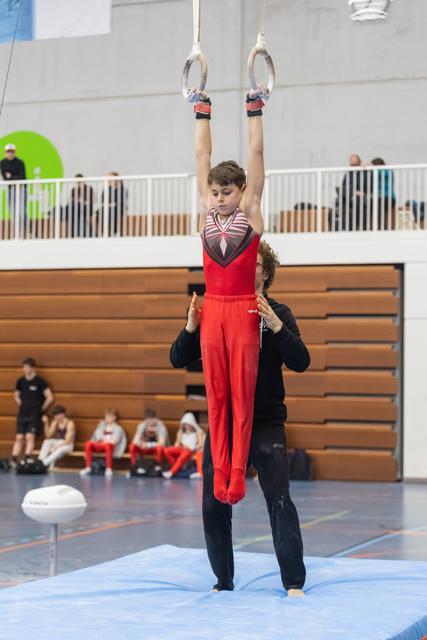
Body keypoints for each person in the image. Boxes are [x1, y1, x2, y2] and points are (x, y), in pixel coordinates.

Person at [170, 240, 310, 596]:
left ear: (266, 273)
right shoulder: (215, 312)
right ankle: (224, 581)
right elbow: (176, 358)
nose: (245, 267)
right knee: (213, 503)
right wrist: (191, 327)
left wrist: (277, 326)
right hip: (224, 426)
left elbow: (301, 362)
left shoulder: (278, 311)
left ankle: (293, 581)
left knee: (279, 500)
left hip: (265, 424)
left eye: (254, 263)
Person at [189, 81, 268, 505]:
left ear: (241, 191)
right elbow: (202, 154)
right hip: (214, 308)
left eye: (227, 192)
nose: (219, 198)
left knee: (242, 393)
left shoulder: (250, 210)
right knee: (216, 395)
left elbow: (256, 156)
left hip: (242, 310)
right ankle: (219, 469)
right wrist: (202, 109)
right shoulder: (206, 205)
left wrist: (254, 108)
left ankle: (239, 471)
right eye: (216, 192)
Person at [11, 358, 54, 467]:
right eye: (24, 367)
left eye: (28, 367)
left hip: (34, 414)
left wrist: (40, 409)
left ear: (33, 368)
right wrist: (22, 404)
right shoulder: (20, 381)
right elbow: (16, 395)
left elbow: (49, 397)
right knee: (19, 437)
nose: (26, 369)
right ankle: (13, 459)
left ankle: (27, 458)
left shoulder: (40, 381)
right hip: (23, 413)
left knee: (30, 436)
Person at [80, 409, 127, 478]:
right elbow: (97, 438)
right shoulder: (101, 427)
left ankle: (109, 468)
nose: (108, 419)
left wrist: (106, 441)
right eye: (106, 417)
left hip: (109, 446)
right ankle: (88, 467)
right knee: (88, 444)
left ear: (114, 417)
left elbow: (115, 441)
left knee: (108, 445)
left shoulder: (118, 428)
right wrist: (100, 427)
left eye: (110, 417)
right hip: (100, 444)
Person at [162, 412, 204, 479]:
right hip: (182, 448)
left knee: (184, 455)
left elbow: (200, 444)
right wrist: (177, 444)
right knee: (167, 450)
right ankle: (177, 467)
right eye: (185, 424)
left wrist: (192, 447)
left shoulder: (198, 432)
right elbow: (177, 443)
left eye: (188, 424)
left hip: (191, 450)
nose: (187, 426)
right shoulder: (180, 432)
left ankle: (172, 472)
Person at [334, 154, 369, 230]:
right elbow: (343, 186)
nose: (353, 167)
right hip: (348, 196)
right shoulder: (348, 174)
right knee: (339, 201)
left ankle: (358, 226)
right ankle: (344, 226)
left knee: (357, 200)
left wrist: (361, 193)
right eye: (352, 165)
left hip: (362, 196)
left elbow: (370, 188)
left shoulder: (366, 173)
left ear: (360, 163)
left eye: (355, 164)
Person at [0, 143, 27, 234]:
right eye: (8, 152)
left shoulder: (20, 162)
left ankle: (26, 231)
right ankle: (17, 232)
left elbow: (22, 177)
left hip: (21, 189)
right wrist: (14, 177)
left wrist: (11, 177)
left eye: (12, 152)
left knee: (22, 212)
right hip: (11, 189)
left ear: (14, 152)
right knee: (13, 212)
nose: (10, 154)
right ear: (5, 152)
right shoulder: (2, 163)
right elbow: (5, 177)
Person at [38, 405, 75, 470]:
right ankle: (40, 461)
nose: (56, 417)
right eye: (55, 416)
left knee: (59, 450)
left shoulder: (70, 423)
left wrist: (55, 447)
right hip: (58, 442)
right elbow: (48, 435)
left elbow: (68, 441)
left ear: (63, 414)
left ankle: (44, 464)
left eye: (57, 415)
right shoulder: (55, 422)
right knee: (47, 441)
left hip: (68, 445)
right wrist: (46, 423)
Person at [94, 172, 127, 236]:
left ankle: (113, 232)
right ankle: (102, 233)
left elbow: (119, 202)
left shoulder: (122, 189)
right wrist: (109, 204)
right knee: (97, 213)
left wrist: (111, 204)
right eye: (108, 178)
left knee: (111, 212)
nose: (109, 180)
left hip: (118, 208)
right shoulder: (106, 190)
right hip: (106, 208)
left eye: (111, 178)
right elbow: (103, 201)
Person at [370, 157, 396, 229]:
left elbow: (380, 172)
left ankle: (382, 228)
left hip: (388, 197)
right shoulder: (376, 172)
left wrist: (370, 168)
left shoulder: (388, 171)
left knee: (378, 205)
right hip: (379, 197)